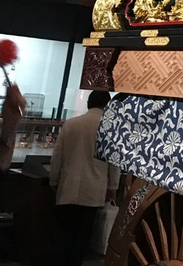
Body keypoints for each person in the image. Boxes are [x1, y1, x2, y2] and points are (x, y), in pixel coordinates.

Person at [50, 90, 120, 266]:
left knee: (63, 236)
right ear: (108, 106)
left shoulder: (70, 124)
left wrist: (53, 181)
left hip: (67, 189)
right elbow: (114, 163)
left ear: (88, 103)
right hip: (93, 193)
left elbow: (57, 157)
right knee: (82, 238)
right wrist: (113, 187)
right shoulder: (110, 129)